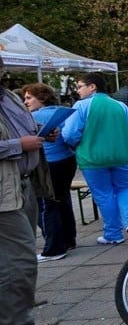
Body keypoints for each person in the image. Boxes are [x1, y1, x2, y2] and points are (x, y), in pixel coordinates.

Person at [0, 56, 60, 325]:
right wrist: (19, 145)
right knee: (21, 255)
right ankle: (13, 321)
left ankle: (18, 302)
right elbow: (15, 140)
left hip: (24, 182)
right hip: (4, 191)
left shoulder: (8, 97)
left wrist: (41, 134)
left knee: (20, 250)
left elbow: (24, 127)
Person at [62, 72, 128, 244]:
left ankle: (113, 234)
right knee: (124, 189)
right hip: (122, 156)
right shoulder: (120, 106)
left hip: (92, 158)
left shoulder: (81, 106)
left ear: (92, 86)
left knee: (104, 195)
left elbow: (69, 134)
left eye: (80, 87)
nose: (78, 91)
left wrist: (77, 144)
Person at [22, 83, 77, 260]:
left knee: (46, 205)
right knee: (63, 200)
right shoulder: (60, 111)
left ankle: (54, 248)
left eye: (29, 97)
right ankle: (68, 239)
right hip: (67, 160)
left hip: (49, 163)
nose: (25, 101)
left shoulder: (32, 117)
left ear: (42, 97)